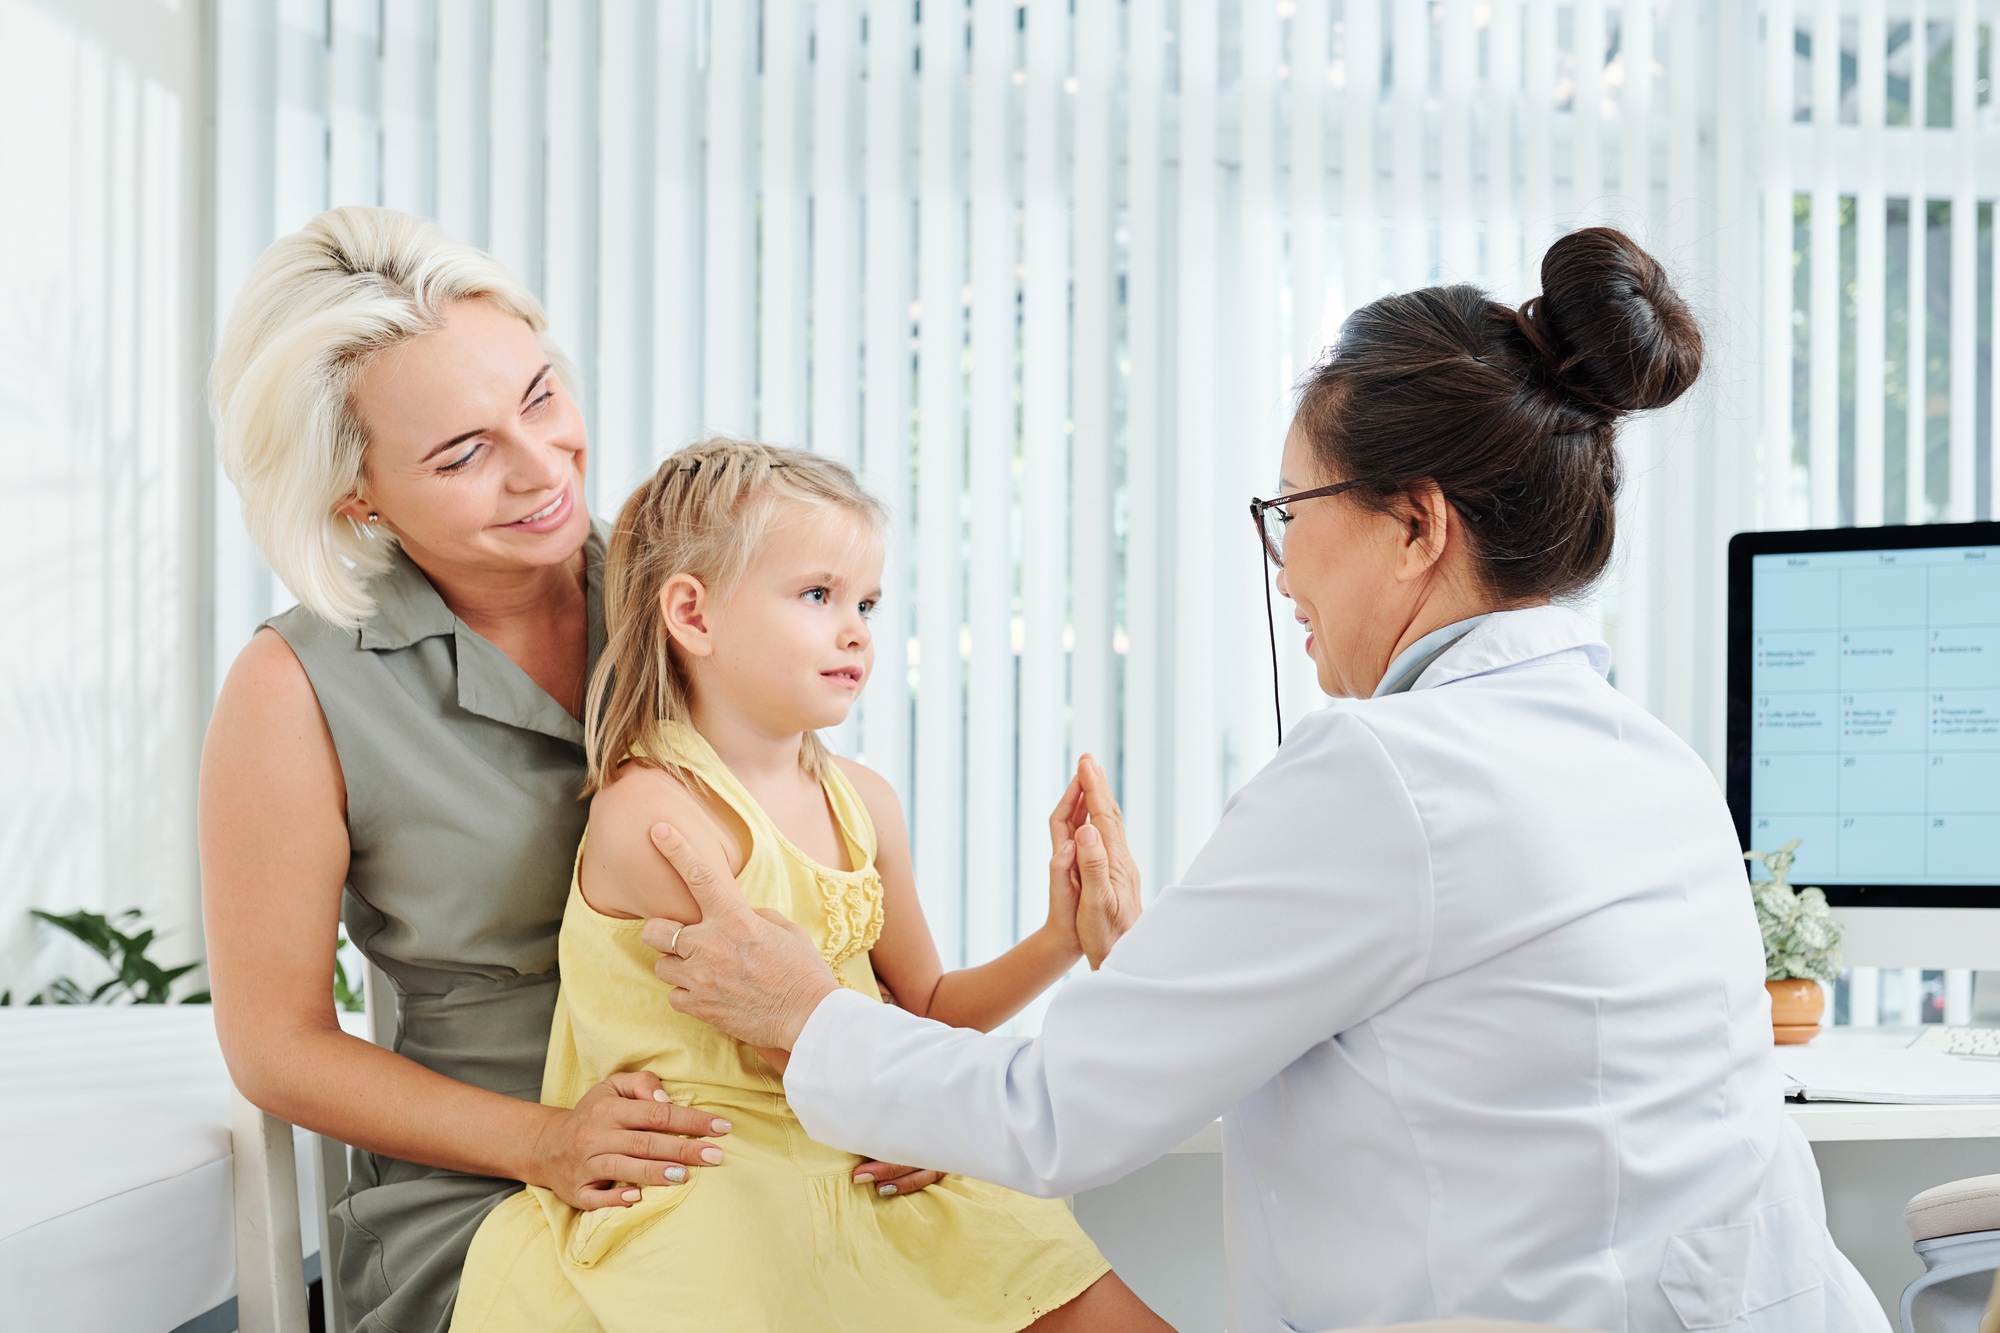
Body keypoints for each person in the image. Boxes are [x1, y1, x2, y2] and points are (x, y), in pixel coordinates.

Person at [629, 229, 1891, 1332]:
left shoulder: (1389, 770)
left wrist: (803, 1008)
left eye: (1292, 510)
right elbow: (1448, 1037)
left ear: (1415, 524)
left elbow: (1052, 1117)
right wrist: (1134, 964)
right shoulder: (1648, 756)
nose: (1283, 568)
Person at [447, 439, 1164, 1332]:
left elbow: (926, 1008)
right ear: (693, 617)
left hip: (860, 1142)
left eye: (866, 600)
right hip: (720, 1180)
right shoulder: (656, 815)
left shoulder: (864, 802)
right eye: (818, 595)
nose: (857, 627)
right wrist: (921, 1111)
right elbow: (801, 1047)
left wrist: (1060, 935)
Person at [201, 207, 734, 1332]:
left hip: (745, 1133)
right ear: (356, 494)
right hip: (489, 1195)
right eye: (463, 453)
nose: (543, 469)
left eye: (540, 397)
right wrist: (550, 1141)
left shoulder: (684, 592)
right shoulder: (293, 689)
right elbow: (276, 1045)